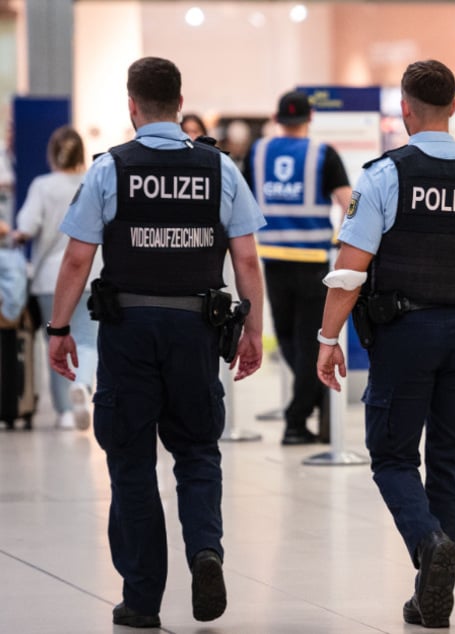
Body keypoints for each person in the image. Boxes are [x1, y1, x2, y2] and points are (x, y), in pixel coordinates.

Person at [46, 56, 265, 629]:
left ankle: (142, 599)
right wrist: (253, 330)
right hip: (198, 330)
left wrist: (59, 327)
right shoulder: (219, 169)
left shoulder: (110, 169)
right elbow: (245, 258)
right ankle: (206, 552)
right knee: (197, 453)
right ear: (179, 99)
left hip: (129, 335)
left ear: (132, 105)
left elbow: (76, 257)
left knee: (132, 461)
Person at [316, 60, 455, 628]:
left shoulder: (385, 175)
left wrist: (327, 338)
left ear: (404, 110)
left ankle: (427, 543)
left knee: (390, 455)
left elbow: (349, 272)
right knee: (449, 459)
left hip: (405, 333)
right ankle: (436, 595)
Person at [246, 90, 352, 445]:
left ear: (277, 120)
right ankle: (300, 415)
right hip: (312, 264)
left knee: (290, 341)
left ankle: (304, 411)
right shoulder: (323, 155)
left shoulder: (258, 153)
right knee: (308, 344)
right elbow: (348, 204)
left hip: (272, 261)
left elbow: (241, 203)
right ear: (310, 119)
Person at [13, 125, 100, 430]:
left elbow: (25, 227)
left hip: (50, 279)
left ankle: (64, 411)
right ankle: (84, 385)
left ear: (52, 154)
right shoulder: (93, 181)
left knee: (56, 340)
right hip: (92, 273)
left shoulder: (43, 186)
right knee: (88, 339)